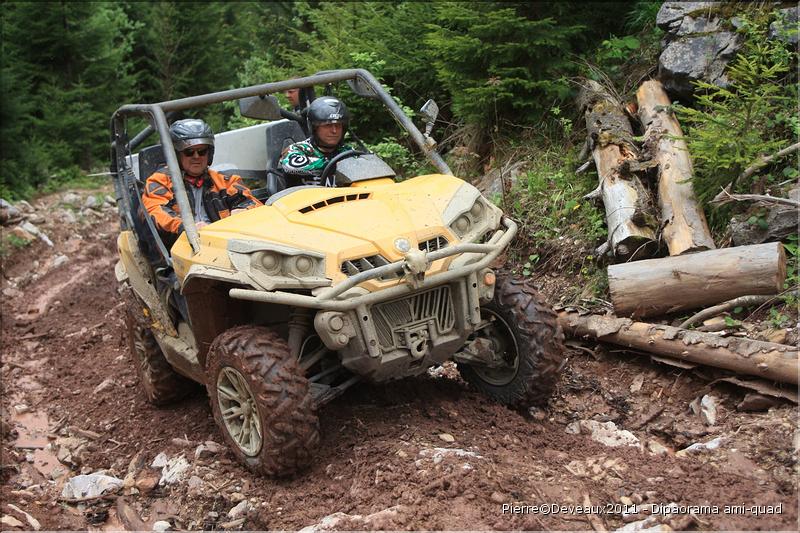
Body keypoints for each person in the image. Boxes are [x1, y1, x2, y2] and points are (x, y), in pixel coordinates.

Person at [143, 118, 261, 235]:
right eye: (189, 152)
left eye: (202, 151)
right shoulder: (159, 182)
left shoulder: (226, 181)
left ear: (209, 153)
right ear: (176, 155)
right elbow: (156, 211)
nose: (196, 156)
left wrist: (244, 211)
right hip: (180, 244)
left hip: (220, 242)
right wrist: (187, 227)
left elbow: (252, 202)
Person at [279, 97, 352, 187]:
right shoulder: (297, 149)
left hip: (344, 199)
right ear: (314, 127)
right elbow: (290, 165)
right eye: (328, 125)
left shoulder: (347, 152)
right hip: (306, 199)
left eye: (338, 125)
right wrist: (331, 165)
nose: (334, 131)